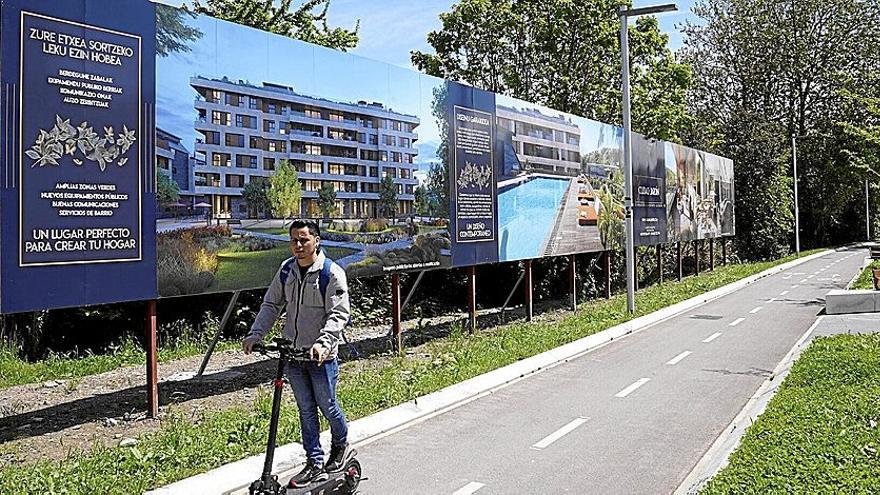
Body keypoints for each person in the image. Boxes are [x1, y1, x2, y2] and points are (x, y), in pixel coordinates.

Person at [242, 219, 352, 488]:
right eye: (294, 240)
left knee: (327, 406)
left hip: (321, 357)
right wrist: (256, 334)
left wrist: (323, 343)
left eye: (304, 240)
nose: (298, 245)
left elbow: (338, 314)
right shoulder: (286, 271)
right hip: (292, 354)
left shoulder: (331, 273)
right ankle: (314, 462)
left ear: (317, 240)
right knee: (305, 409)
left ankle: (341, 443)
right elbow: (271, 304)